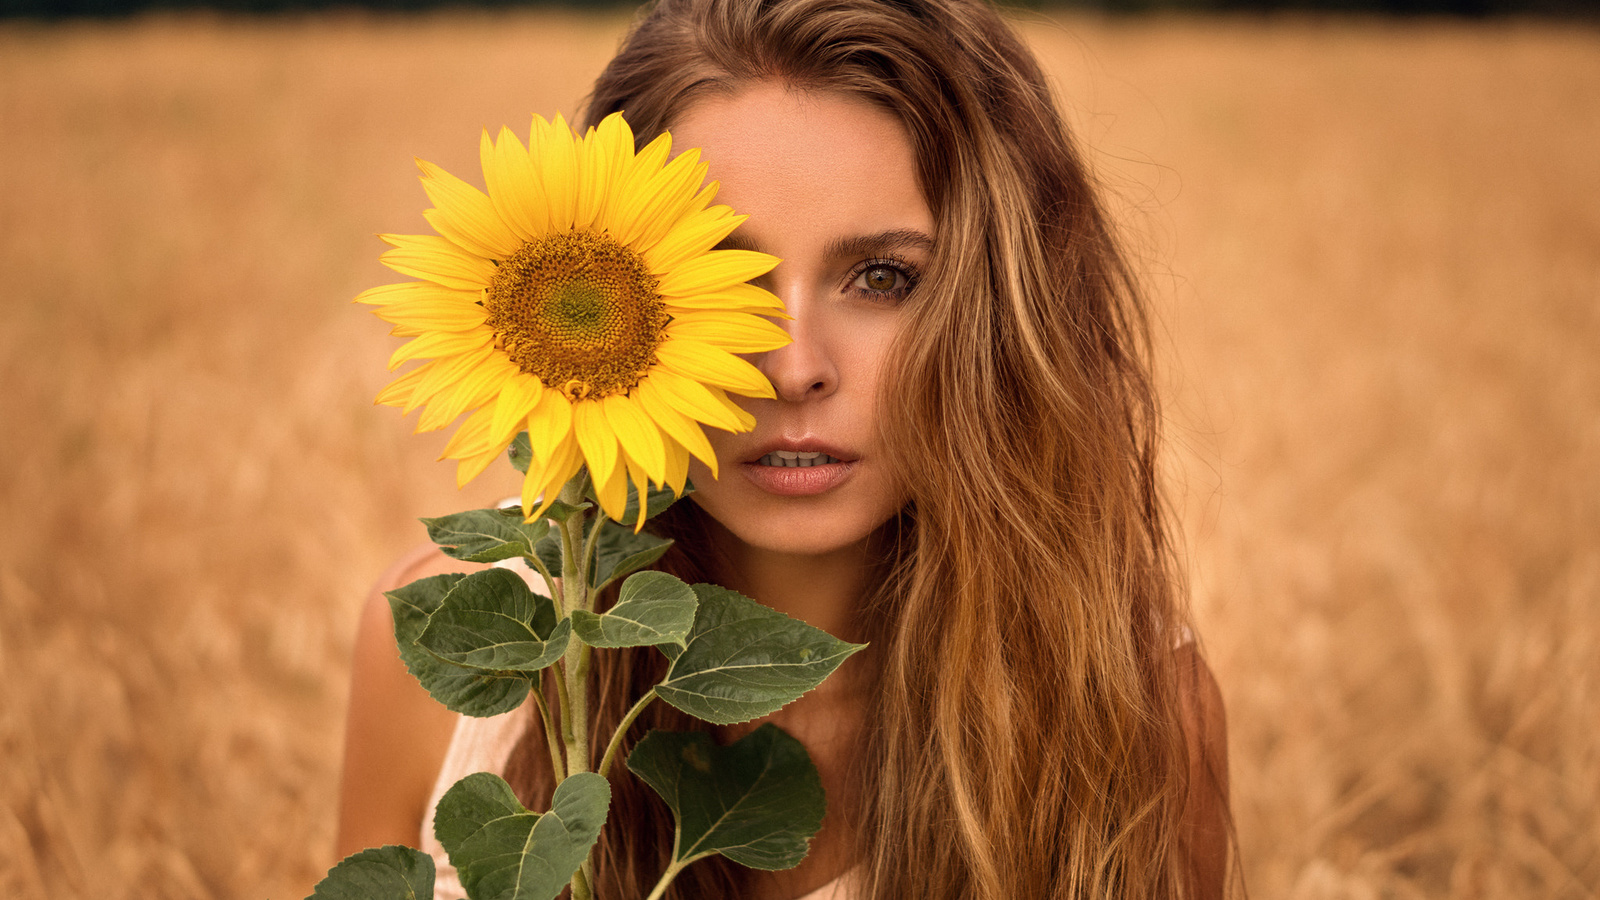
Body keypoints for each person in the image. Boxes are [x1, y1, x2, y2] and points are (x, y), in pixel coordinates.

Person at [338, 0, 1233, 898]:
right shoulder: (449, 646)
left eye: (883, 278)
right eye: (725, 281)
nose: (794, 368)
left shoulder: (1132, 707)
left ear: (998, 314)